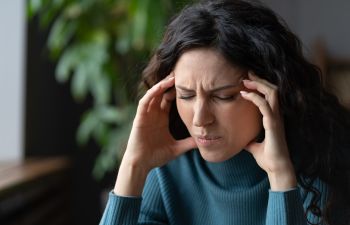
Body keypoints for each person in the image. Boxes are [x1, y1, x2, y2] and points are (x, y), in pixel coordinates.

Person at [99, 0, 350, 224]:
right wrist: (133, 166)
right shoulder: (166, 173)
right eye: (186, 95)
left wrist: (280, 176)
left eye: (223, 96)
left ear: (269, 91)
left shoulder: (316, 174)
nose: (200, 119)